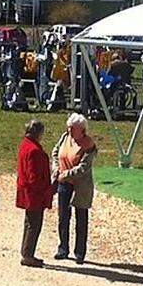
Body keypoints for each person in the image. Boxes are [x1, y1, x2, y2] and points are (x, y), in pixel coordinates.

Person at [51, 113, 97, 264]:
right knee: (63, 217)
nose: (69, 130)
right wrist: (57, 169)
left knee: (81, 219)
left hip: (80, 187)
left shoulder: (88, 145)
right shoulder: (65, 137)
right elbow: (55, 152)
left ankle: (80, 252)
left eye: (73, 128)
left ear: (82, 130)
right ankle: (63, 248)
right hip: (64, 183)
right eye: (69, 127)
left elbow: (84, 167)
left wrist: (67, 174)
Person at [16, 119, 53, 268]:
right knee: (34, 224)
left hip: (27, 191)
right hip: (34, 194)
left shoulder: (25, 145)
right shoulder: (34, 151)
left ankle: (26, 251)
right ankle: (28, 255)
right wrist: (45, 189)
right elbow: (35, 176)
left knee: (29, 222)